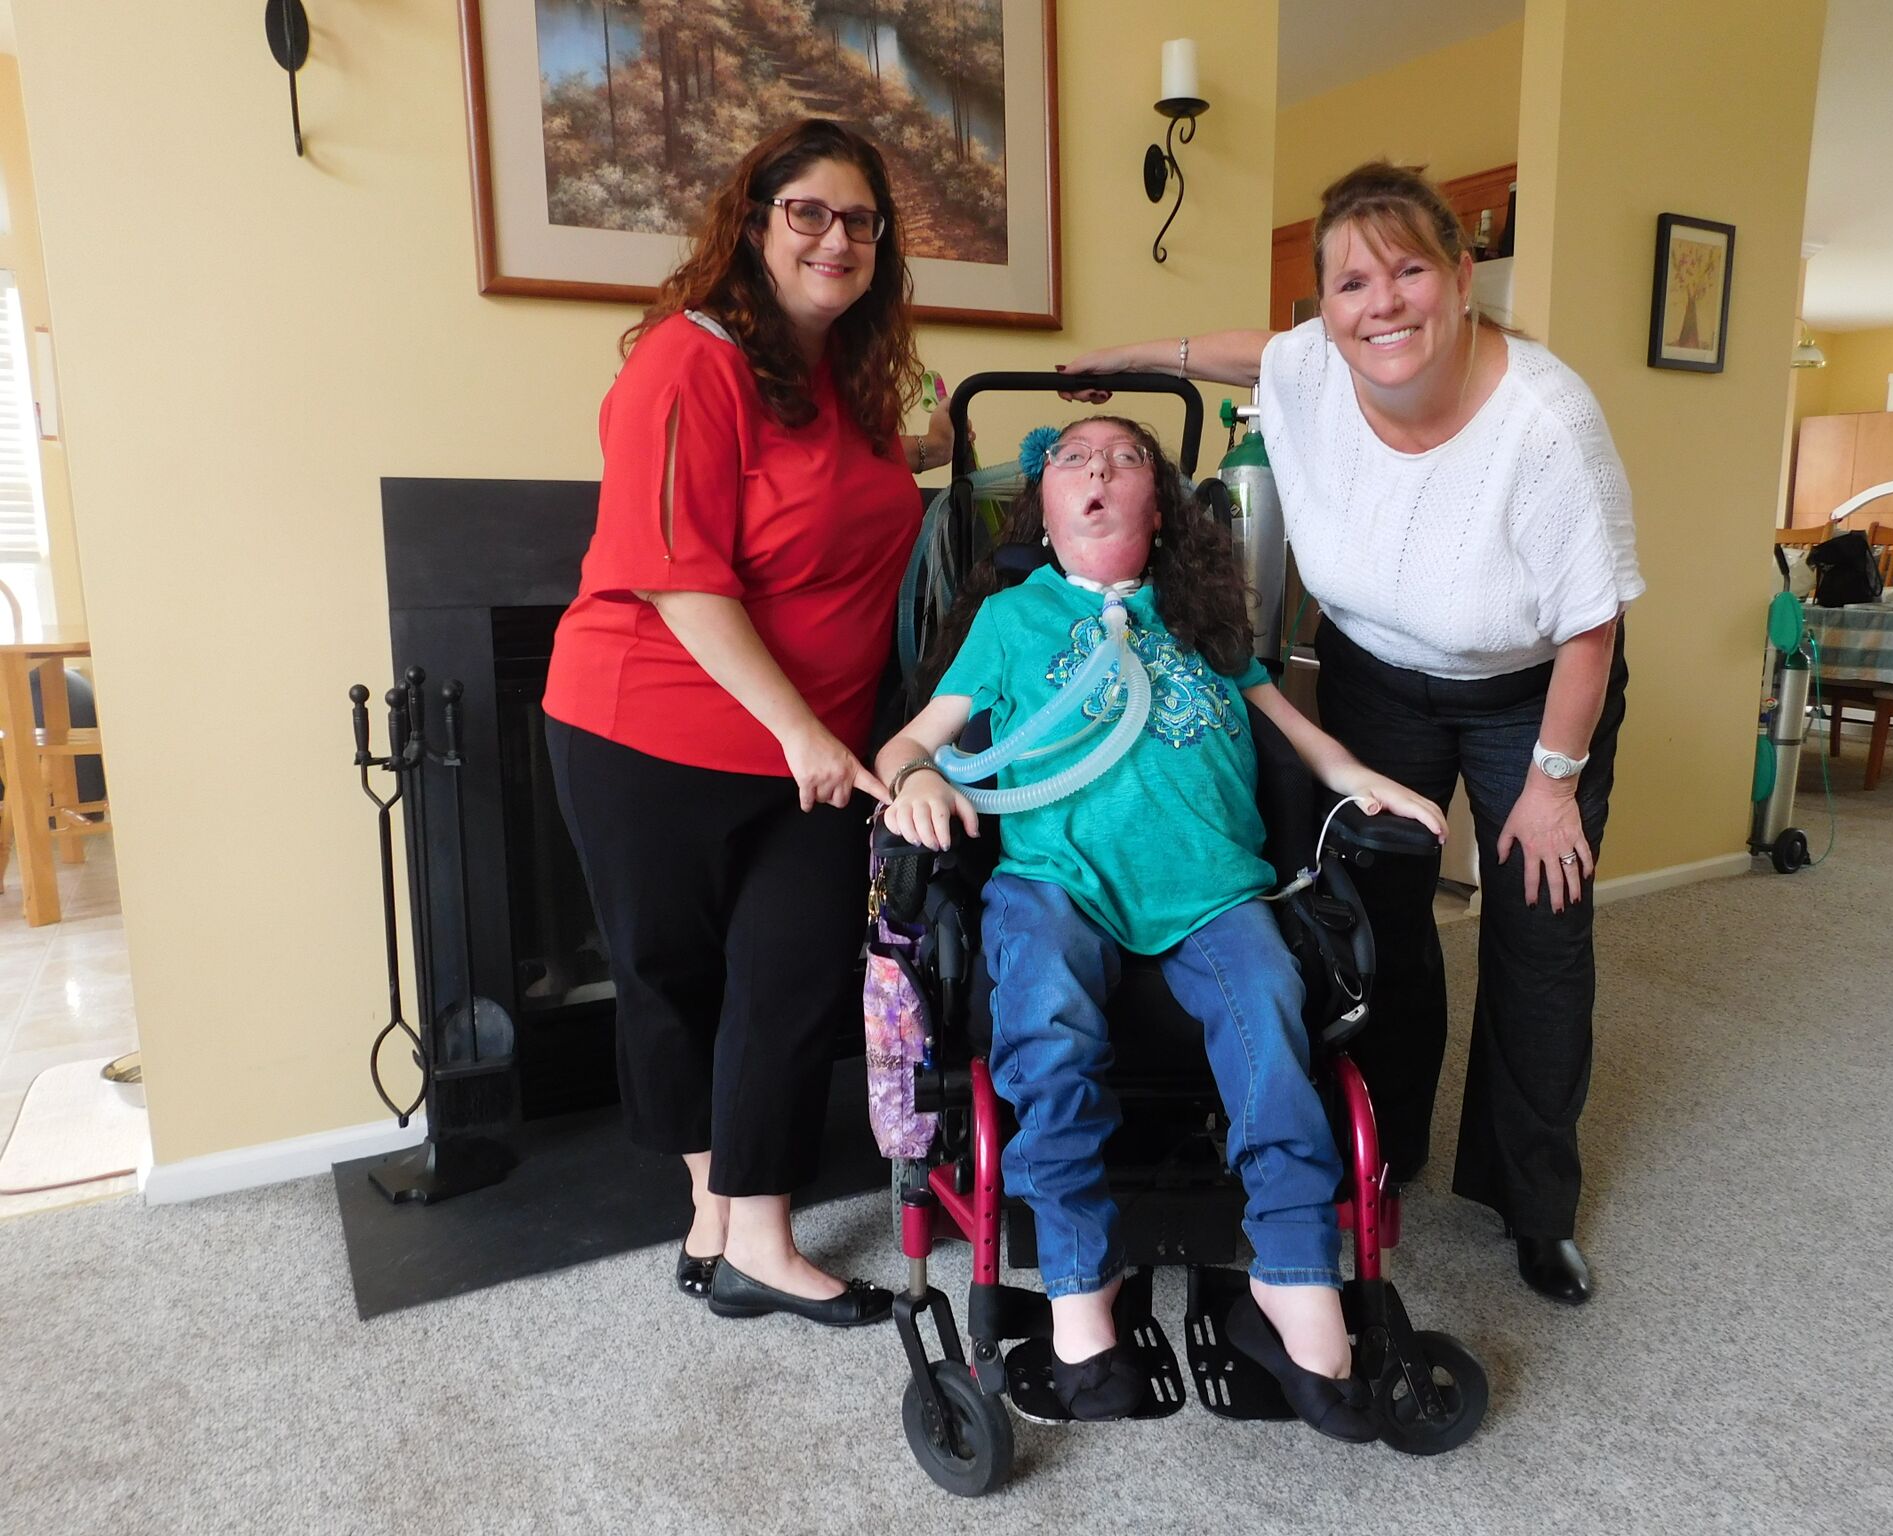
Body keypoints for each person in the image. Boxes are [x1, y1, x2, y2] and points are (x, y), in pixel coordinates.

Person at [1061, 159, 1641, 1306]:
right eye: (1348, 283)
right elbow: (1244, 353)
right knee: (1375, 916)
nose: (1379, 303)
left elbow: (1590, 626)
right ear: (1322, 308)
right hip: (1379, 673)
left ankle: (1531, 1204)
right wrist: (1130, 359)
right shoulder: (1315, 364)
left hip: (1534, 693)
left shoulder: (1545, 421)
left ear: (1460, 277)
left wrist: (1551, 785)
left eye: (1407, 270)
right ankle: (1395, 1149)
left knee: (1536, 929)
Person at [874, 417, 1446, 1436]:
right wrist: (914, 777)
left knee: (1272, 1013)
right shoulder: (1012, 620)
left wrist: (1362, 782)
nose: (1096, 470)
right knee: (1043, 1023)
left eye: (1124, 458)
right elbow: (911, 742)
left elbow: (1300, 739)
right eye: (1069, 460)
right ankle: (1079, 1289)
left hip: (1212, 891)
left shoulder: (1203, 626)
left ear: (1161, 511)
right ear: (1042, 514)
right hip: (1059, 881)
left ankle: (1291, 1273)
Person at [543, 120, 954, 1328]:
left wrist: (980, 442)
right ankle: (713, 1212)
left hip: (815, 750)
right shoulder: (687, 359)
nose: (837, 237)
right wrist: (805, 735)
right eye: (809, 213)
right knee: (670, 980)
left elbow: (862, 491)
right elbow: (676, 575)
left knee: (788, 976)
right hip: (647, 730)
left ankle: (756, 1231)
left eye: (860, 220)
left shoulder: (855, 381)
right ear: (756, 222)